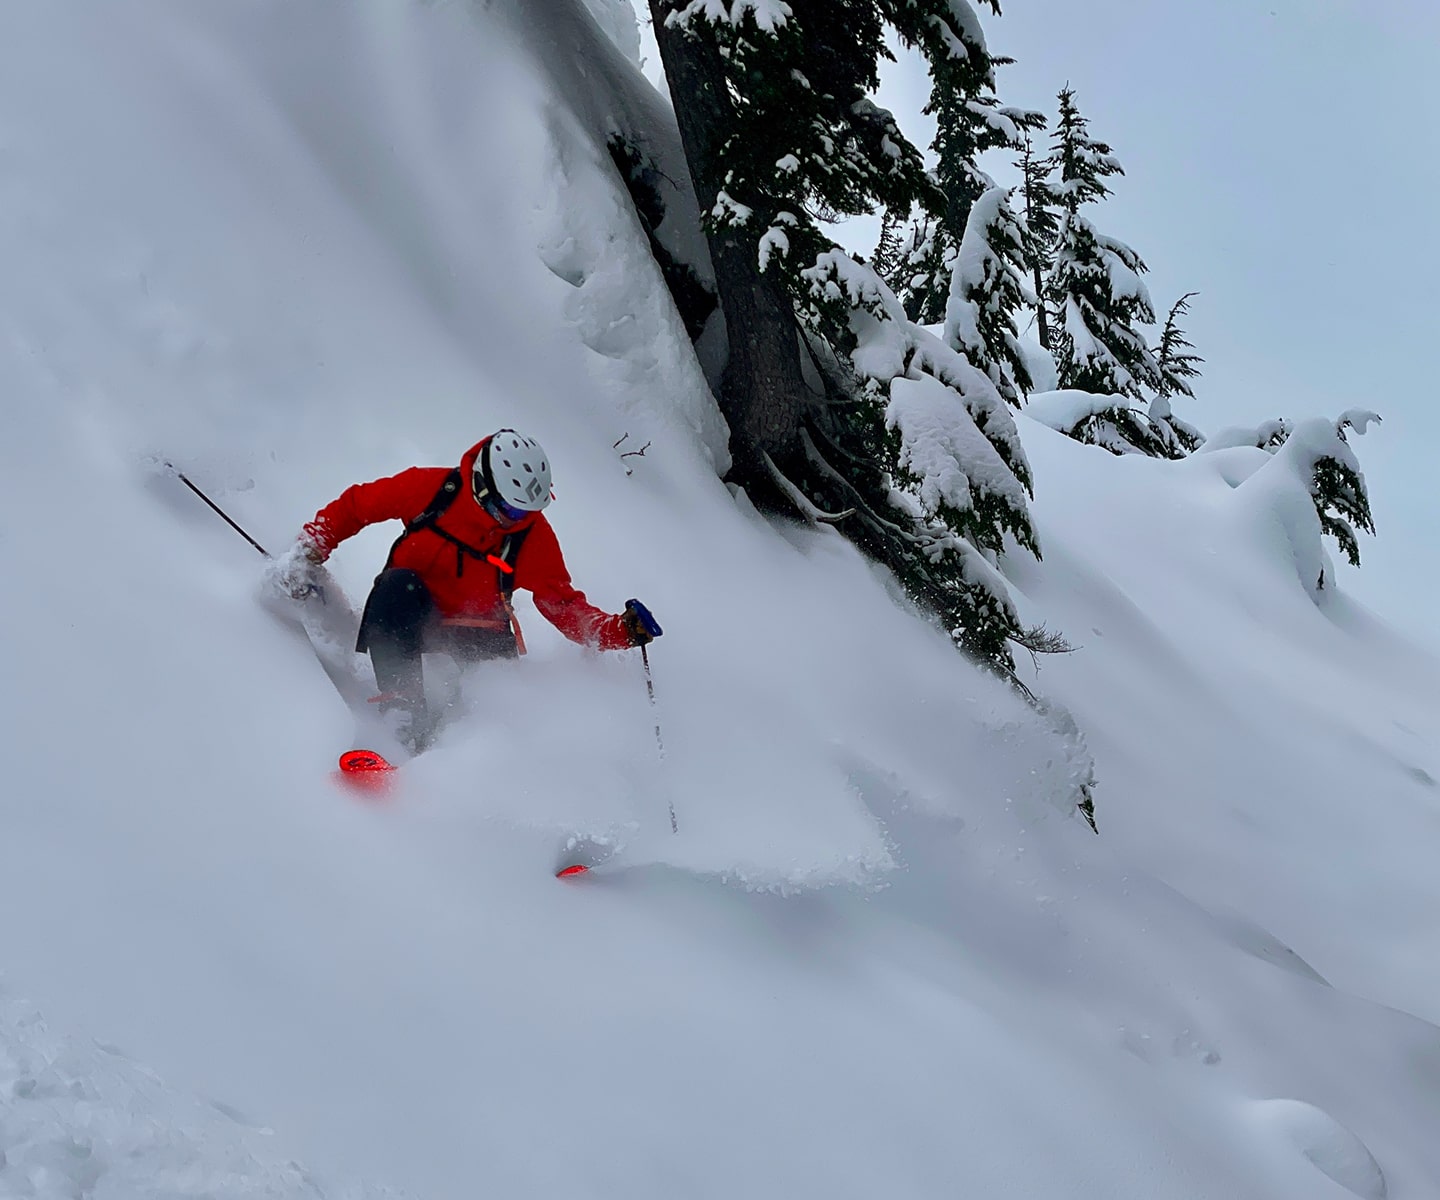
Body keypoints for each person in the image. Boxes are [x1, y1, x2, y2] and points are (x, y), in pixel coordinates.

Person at [278, 430, 661, 744]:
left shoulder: (531, 536)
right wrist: (314, 544)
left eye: (529, 511)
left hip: (481, 636)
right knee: (397, 586)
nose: (519, 520)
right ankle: (402, 714)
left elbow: (563, 605)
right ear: (482, 486)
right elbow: (358, 505)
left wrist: (618, 632)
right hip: (410, 613)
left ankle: (470, 755)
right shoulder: (432, 490)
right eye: (512, 510)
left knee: (489, 715)